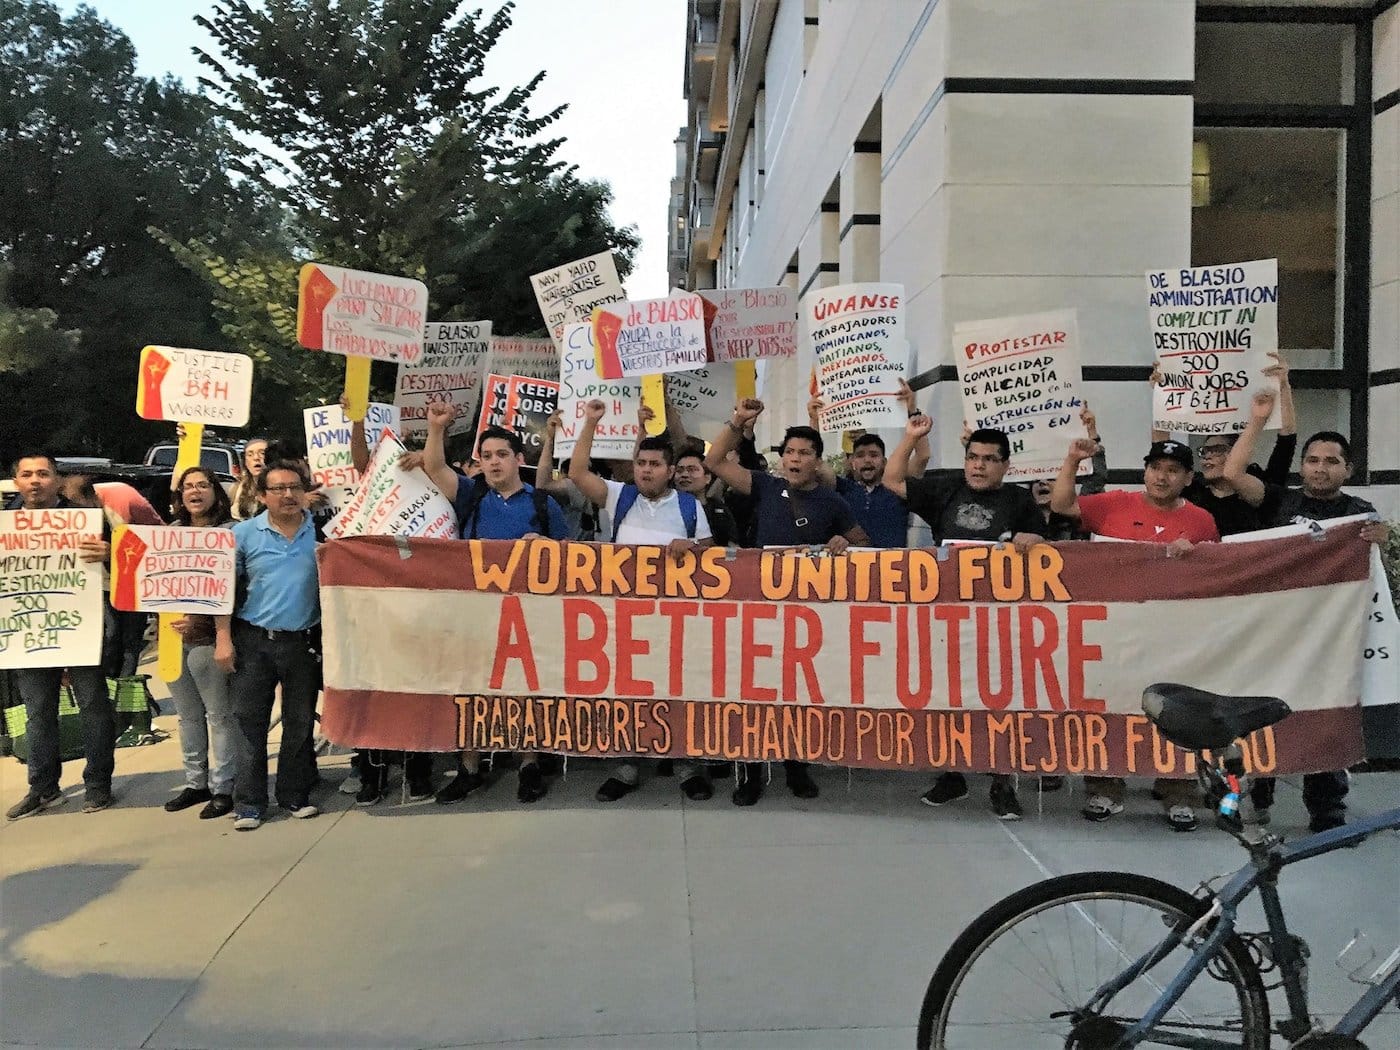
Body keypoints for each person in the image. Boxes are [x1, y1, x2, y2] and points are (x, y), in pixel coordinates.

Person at [1223, 391, 1390, 831]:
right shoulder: (1280, 502)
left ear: (1348, 469)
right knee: (1260, 714)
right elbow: (1233, 472)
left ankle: (1326, 804)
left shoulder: (1361, 515)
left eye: (1331, 461)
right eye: (1313, 460)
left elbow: (1376, 573)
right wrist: (1259, 419)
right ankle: (1253, 793)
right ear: (1303, 467)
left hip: (1329, 637)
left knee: (1326, 714)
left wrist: (1382, 543)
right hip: (1274, 631)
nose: (1320, 467)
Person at [1051, 436, 1220, 831]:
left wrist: (1198, 555)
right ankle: (1106, 787)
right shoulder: (1115, 503)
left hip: (1175, 632)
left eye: (1172, 470)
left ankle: (1177, 790)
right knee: (1111, 705)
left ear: (1188, 478)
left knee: (1178, 708)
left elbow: (1218, 572)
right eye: (1155, 468)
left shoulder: (1201, 520)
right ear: (1145, 471)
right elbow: (1061, 505)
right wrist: (1073, 460)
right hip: (1115, 630)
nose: (1162, 477)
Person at [705, 398, 870, 805]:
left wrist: (843, 541)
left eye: (804, 453)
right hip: (761, 608)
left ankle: (797, 766)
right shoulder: (764, 486)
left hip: (805, 616)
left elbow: (863, 541)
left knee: (798, 693)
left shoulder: (832, 502)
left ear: (817, 461)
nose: (794, 459)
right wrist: (738, 421)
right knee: (756, 692)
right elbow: (714, 462)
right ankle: (753, 772)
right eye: (789, 452)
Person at [884, 417, 1045, 820]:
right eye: (973, 457)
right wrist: (911, 438)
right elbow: (891, 479)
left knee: (1001, 701)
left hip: (1001, 621)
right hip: (949, 617)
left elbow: (1045, 547)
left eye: (989, 459)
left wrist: (1034, 540)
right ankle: (952, 775)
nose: (978, 466)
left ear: (1006, 466)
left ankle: (1001, 783)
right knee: (949, 697)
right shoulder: (945, 487)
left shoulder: (1020, 501)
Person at [416, 403, 568, 805]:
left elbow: (572, 555)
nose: (494, 462)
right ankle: (470, 768)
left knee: (523, 689)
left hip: (527, 615)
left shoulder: (542, 504)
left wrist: (548, 547)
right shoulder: (470, 494)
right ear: (479, 462)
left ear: (520, 459)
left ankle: (528, 764)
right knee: (471, 687)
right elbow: (434, 467)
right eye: (487, 456)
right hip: (475, 613)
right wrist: (436, 428)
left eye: (502, 454)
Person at [569, 399, 715, 801]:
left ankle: (687, 764)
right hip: (625, 618)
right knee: (628, 692)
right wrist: (591, 422)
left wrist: (693, 547)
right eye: (641, 463)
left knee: (680, 689)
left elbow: (710, 554)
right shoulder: (619, 497)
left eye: (654, 464)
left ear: (670, 471)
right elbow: (577, 472)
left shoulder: (689, 506)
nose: (646, 470)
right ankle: (627, 765)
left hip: (676, 618)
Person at [4, 454, 117, 819]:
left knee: (93, 707)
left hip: (80, 625)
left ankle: (98, 785)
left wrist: (109, 554)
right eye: (27, 475)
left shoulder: (88, 519)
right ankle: (43, 787)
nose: (35, 480)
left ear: (56, 480)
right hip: (28, 630)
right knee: (38, 712)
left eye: (43, 473)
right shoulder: (4, 523)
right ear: (16, 482)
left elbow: (129, 564)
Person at [218, 459, 324, 831]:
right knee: (249, 723)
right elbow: (222, 591)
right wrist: (222, 639)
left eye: (294, 486)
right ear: (262, 496)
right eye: (278, 489)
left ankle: (294, 795)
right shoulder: (243, 535)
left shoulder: (323, 532)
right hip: (253, 641)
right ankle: (249, 804)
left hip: (303, 642)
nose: (288, 495)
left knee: (298, 722)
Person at [163, 466, 237, 819]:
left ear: (216, 492)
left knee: (219, 716)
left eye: (203, 485)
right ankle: (196, 784)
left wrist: (205, 622)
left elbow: (234, 587)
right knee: (187, 717)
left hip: (209, 640)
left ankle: (225, 787)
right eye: (188, 486)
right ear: (180, 496)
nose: (195, 491)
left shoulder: (231, 533)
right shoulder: (169, 534)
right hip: (172, 641)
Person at [810, 378, 929, 548]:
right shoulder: (842, 489)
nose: (867, 460)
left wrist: (912, 410)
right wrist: (815, 421)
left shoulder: (897, 488)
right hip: (851, 570)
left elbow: (922, 456)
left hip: (892, 570)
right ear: (852, 462)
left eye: (873, 455)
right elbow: (815, 467)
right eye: (860, 455)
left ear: (884, 461)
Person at [229, 437, 268, 521]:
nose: (256, 458)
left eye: (262, 453)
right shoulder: (236, 489)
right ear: (245, 461)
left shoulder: (282, 489)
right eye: (250, 455)